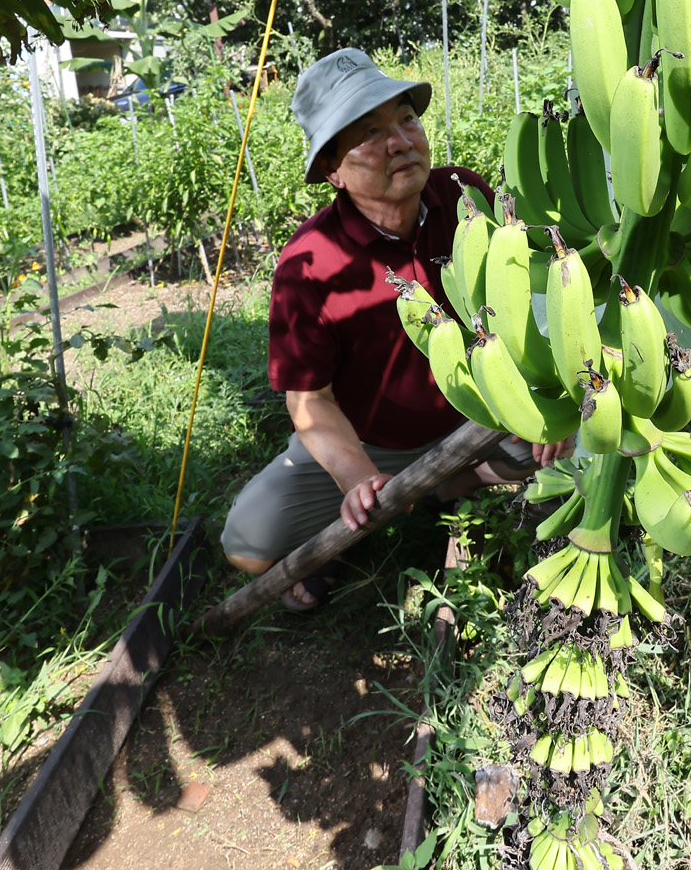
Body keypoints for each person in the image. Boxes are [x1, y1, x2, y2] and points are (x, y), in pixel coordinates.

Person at [220, 49, 563, 611]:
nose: (400, 141)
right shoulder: (311, 263)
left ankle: (457, 483)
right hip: (374, 443)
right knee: (249, 543)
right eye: (369, 133)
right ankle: (407, 497)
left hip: (484, 412)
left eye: (406, 118)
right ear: (331, 168)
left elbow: (530, 300)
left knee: (580, 446)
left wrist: (547, 400)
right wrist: (358, 478)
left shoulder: (463, 197)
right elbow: (309, 402)